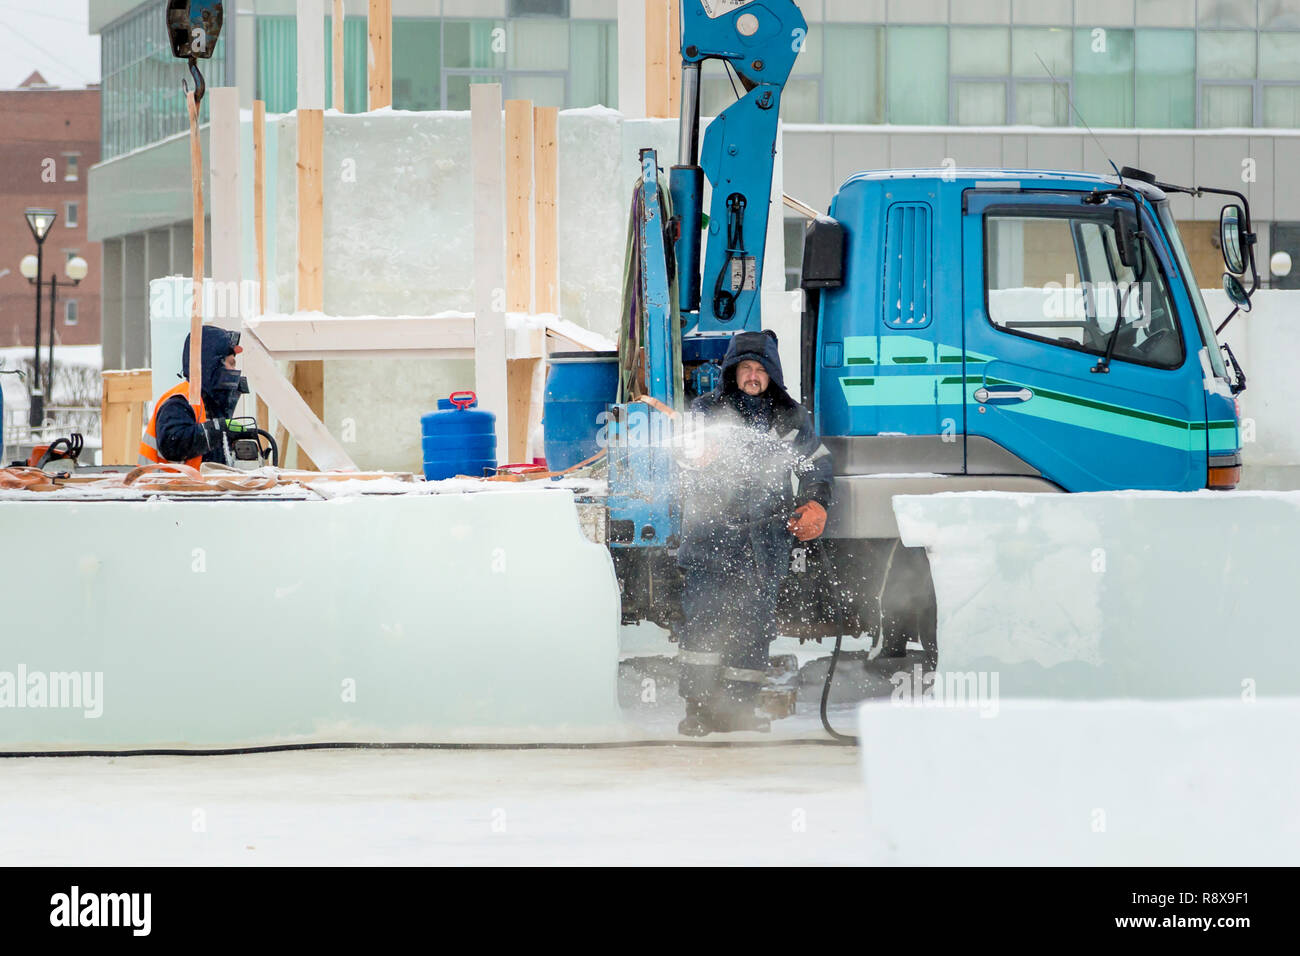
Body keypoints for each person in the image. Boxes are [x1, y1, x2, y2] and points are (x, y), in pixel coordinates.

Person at [675, 329, 833, 736]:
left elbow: (815, 464)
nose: (752, 376)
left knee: (753, 626)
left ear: (772, 374)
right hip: (710, 538)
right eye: (745, 367)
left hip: (763, 544)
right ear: (731, 371)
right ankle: (698, 709)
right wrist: (694, 457)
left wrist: (816, 501)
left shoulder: (792, 417)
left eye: (760, 369)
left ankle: (737, 710)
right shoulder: (705, 412)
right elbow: (679, 456)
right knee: (705, 624)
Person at [139, 326, 252, 468]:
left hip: (191, 488)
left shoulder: (209, 405)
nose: (235, 371)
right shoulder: (179, 402)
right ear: (212, 365)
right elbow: (173, 444)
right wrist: (219, 429)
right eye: (231, 363)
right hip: (163, 487)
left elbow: (208, 463)